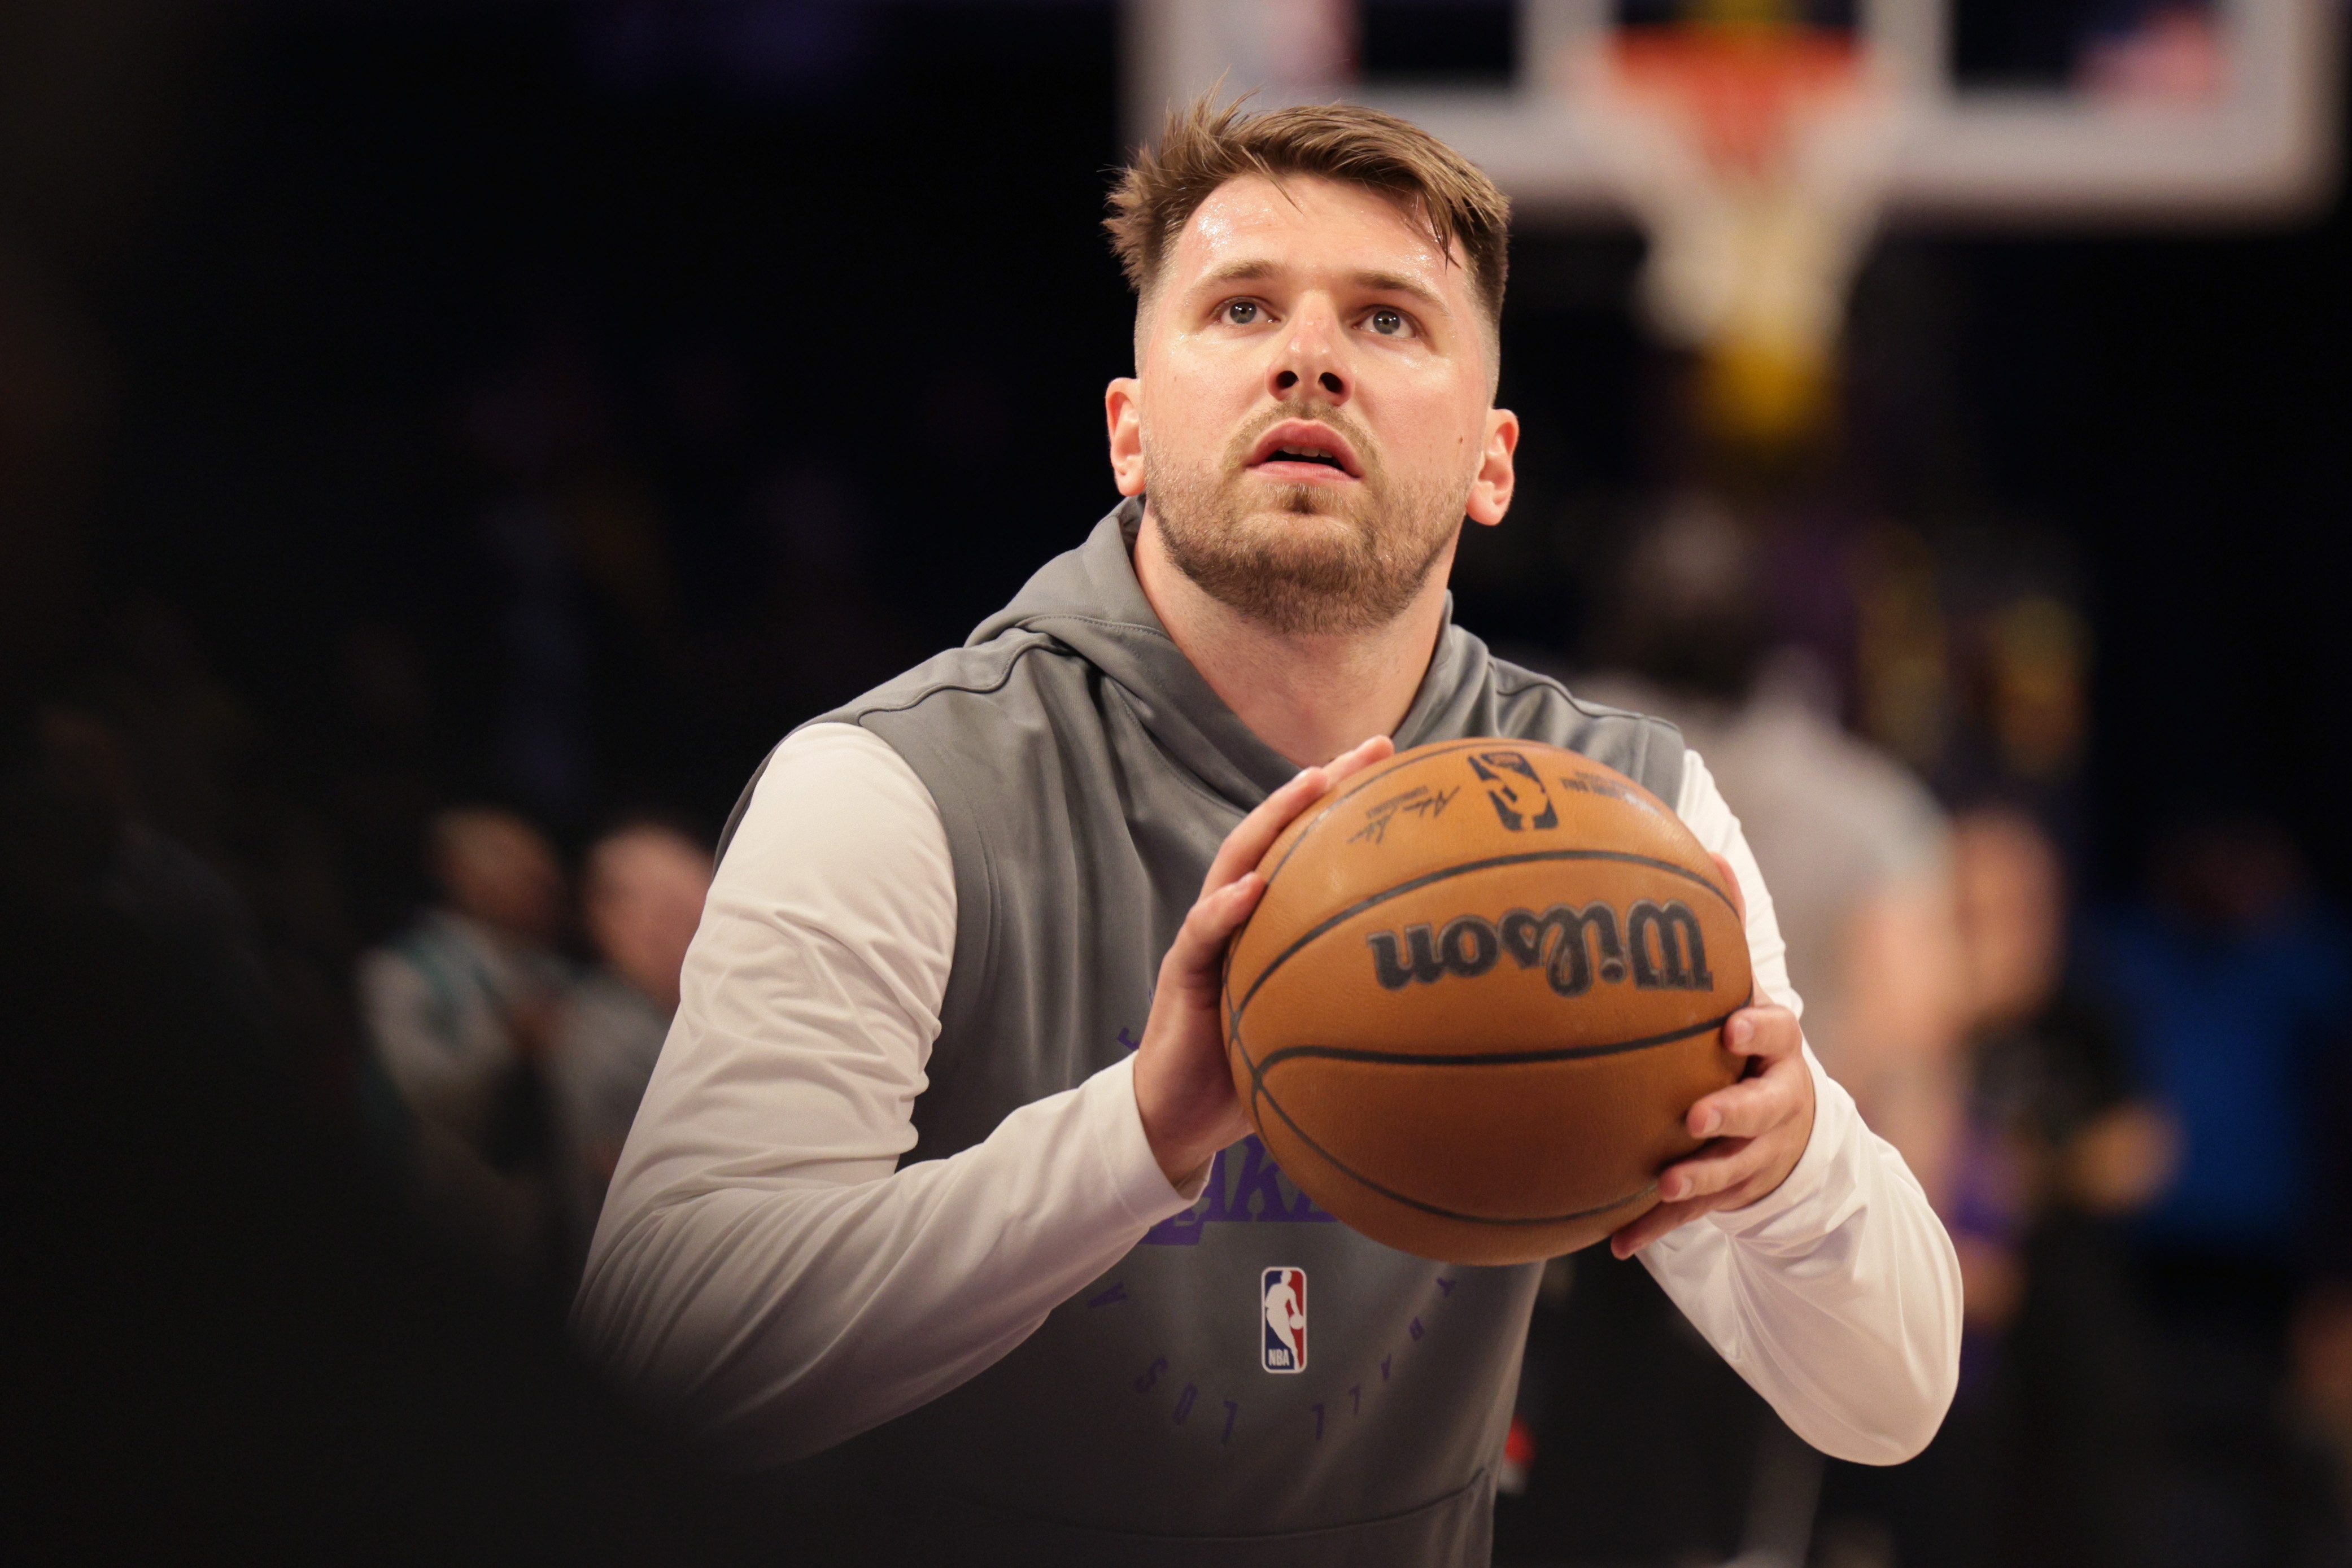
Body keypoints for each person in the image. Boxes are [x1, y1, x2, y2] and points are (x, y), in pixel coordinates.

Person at [575, 98, 1961, 1564]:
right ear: (1128, 431)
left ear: (1492, 464)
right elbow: (659, 1359)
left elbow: (1889, 1397)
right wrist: (1141, 1131)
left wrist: (1792, 1168)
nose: (1309, 356)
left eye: (1387, 319)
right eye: (1241, 307)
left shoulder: (1625, 813)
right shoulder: (893, 788)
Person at [359, 805, 574, 1287]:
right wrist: (511, 1045)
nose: (538, 875)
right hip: (445, 1218)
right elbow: (425, 1091)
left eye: (539, 861)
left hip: (548, 1228)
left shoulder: (556, 975)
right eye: (508, 858)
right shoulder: (402, 970)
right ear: (455, 870)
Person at [549, 820, 713, 1282]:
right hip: (658, 1287)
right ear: (607, 924)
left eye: (695, 912)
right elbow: (660, 1184)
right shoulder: (600, 1033)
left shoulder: (719, 1007)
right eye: (665, 913)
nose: (683, 931)